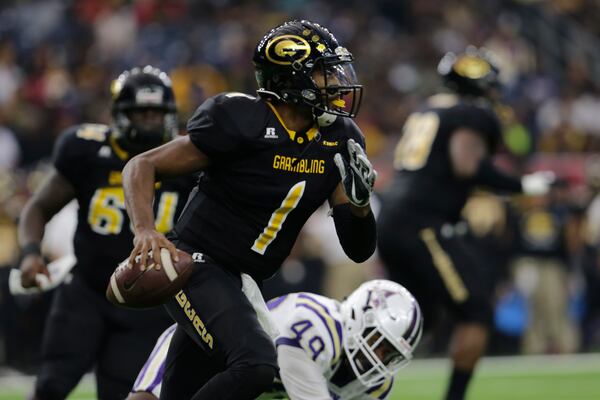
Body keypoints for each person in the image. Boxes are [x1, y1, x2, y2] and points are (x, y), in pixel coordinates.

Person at [122, 20, 377, 400]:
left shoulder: (339, 138)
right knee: (256, 365)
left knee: (179, 392)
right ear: (292, 78)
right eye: (324, 72)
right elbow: (142, 166)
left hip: (246, 280)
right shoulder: (241, 118)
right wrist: (144, 228)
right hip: (196, 264)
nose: (337, 83)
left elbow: (358, 249)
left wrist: (359, 207)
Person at [376, 47, 554, 400]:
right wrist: (525, 184)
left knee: (414, 317)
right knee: (477, 312)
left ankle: (348, 383)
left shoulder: (428, 109)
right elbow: (466, 165)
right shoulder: (470, 114)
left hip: (394, 219)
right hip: (422, 223)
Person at [17, 66, 196, 400]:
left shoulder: (187, 160)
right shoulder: (85, 149)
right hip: (86, 290)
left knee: (123, 393)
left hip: (145, 301)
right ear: (119, 114)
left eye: (157, 113)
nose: (150, 120)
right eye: (141, 112)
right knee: (51, 385)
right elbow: (39, 208)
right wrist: (30, 253)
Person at [128, 279, 422, 400]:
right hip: (205, 349)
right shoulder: (319, 323)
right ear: (359, 316)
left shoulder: (376, 384)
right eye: (378, 343)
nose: (379, 358)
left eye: (390, 355)